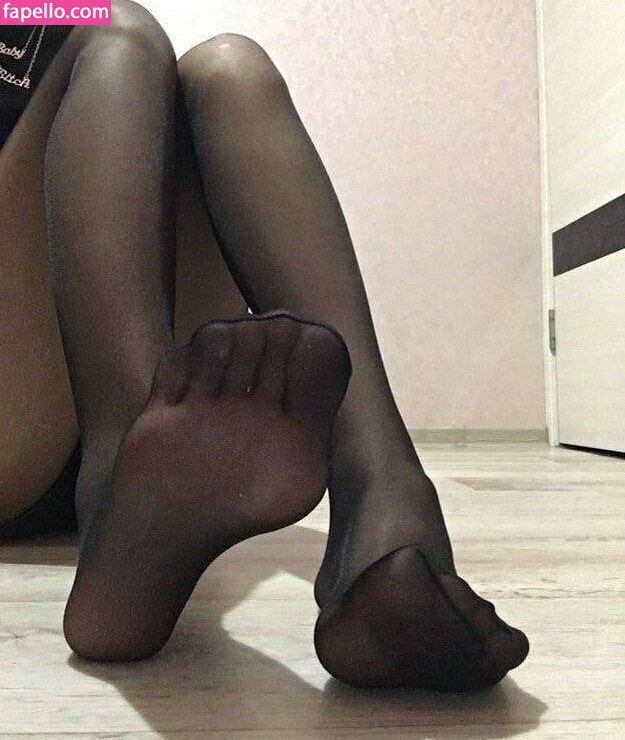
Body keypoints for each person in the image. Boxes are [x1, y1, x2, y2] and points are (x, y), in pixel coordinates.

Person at [0, 1, 529, 690]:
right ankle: (119, 496)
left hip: (89, 388)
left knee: (229, 69)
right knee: (112, 25)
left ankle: (382, 514)